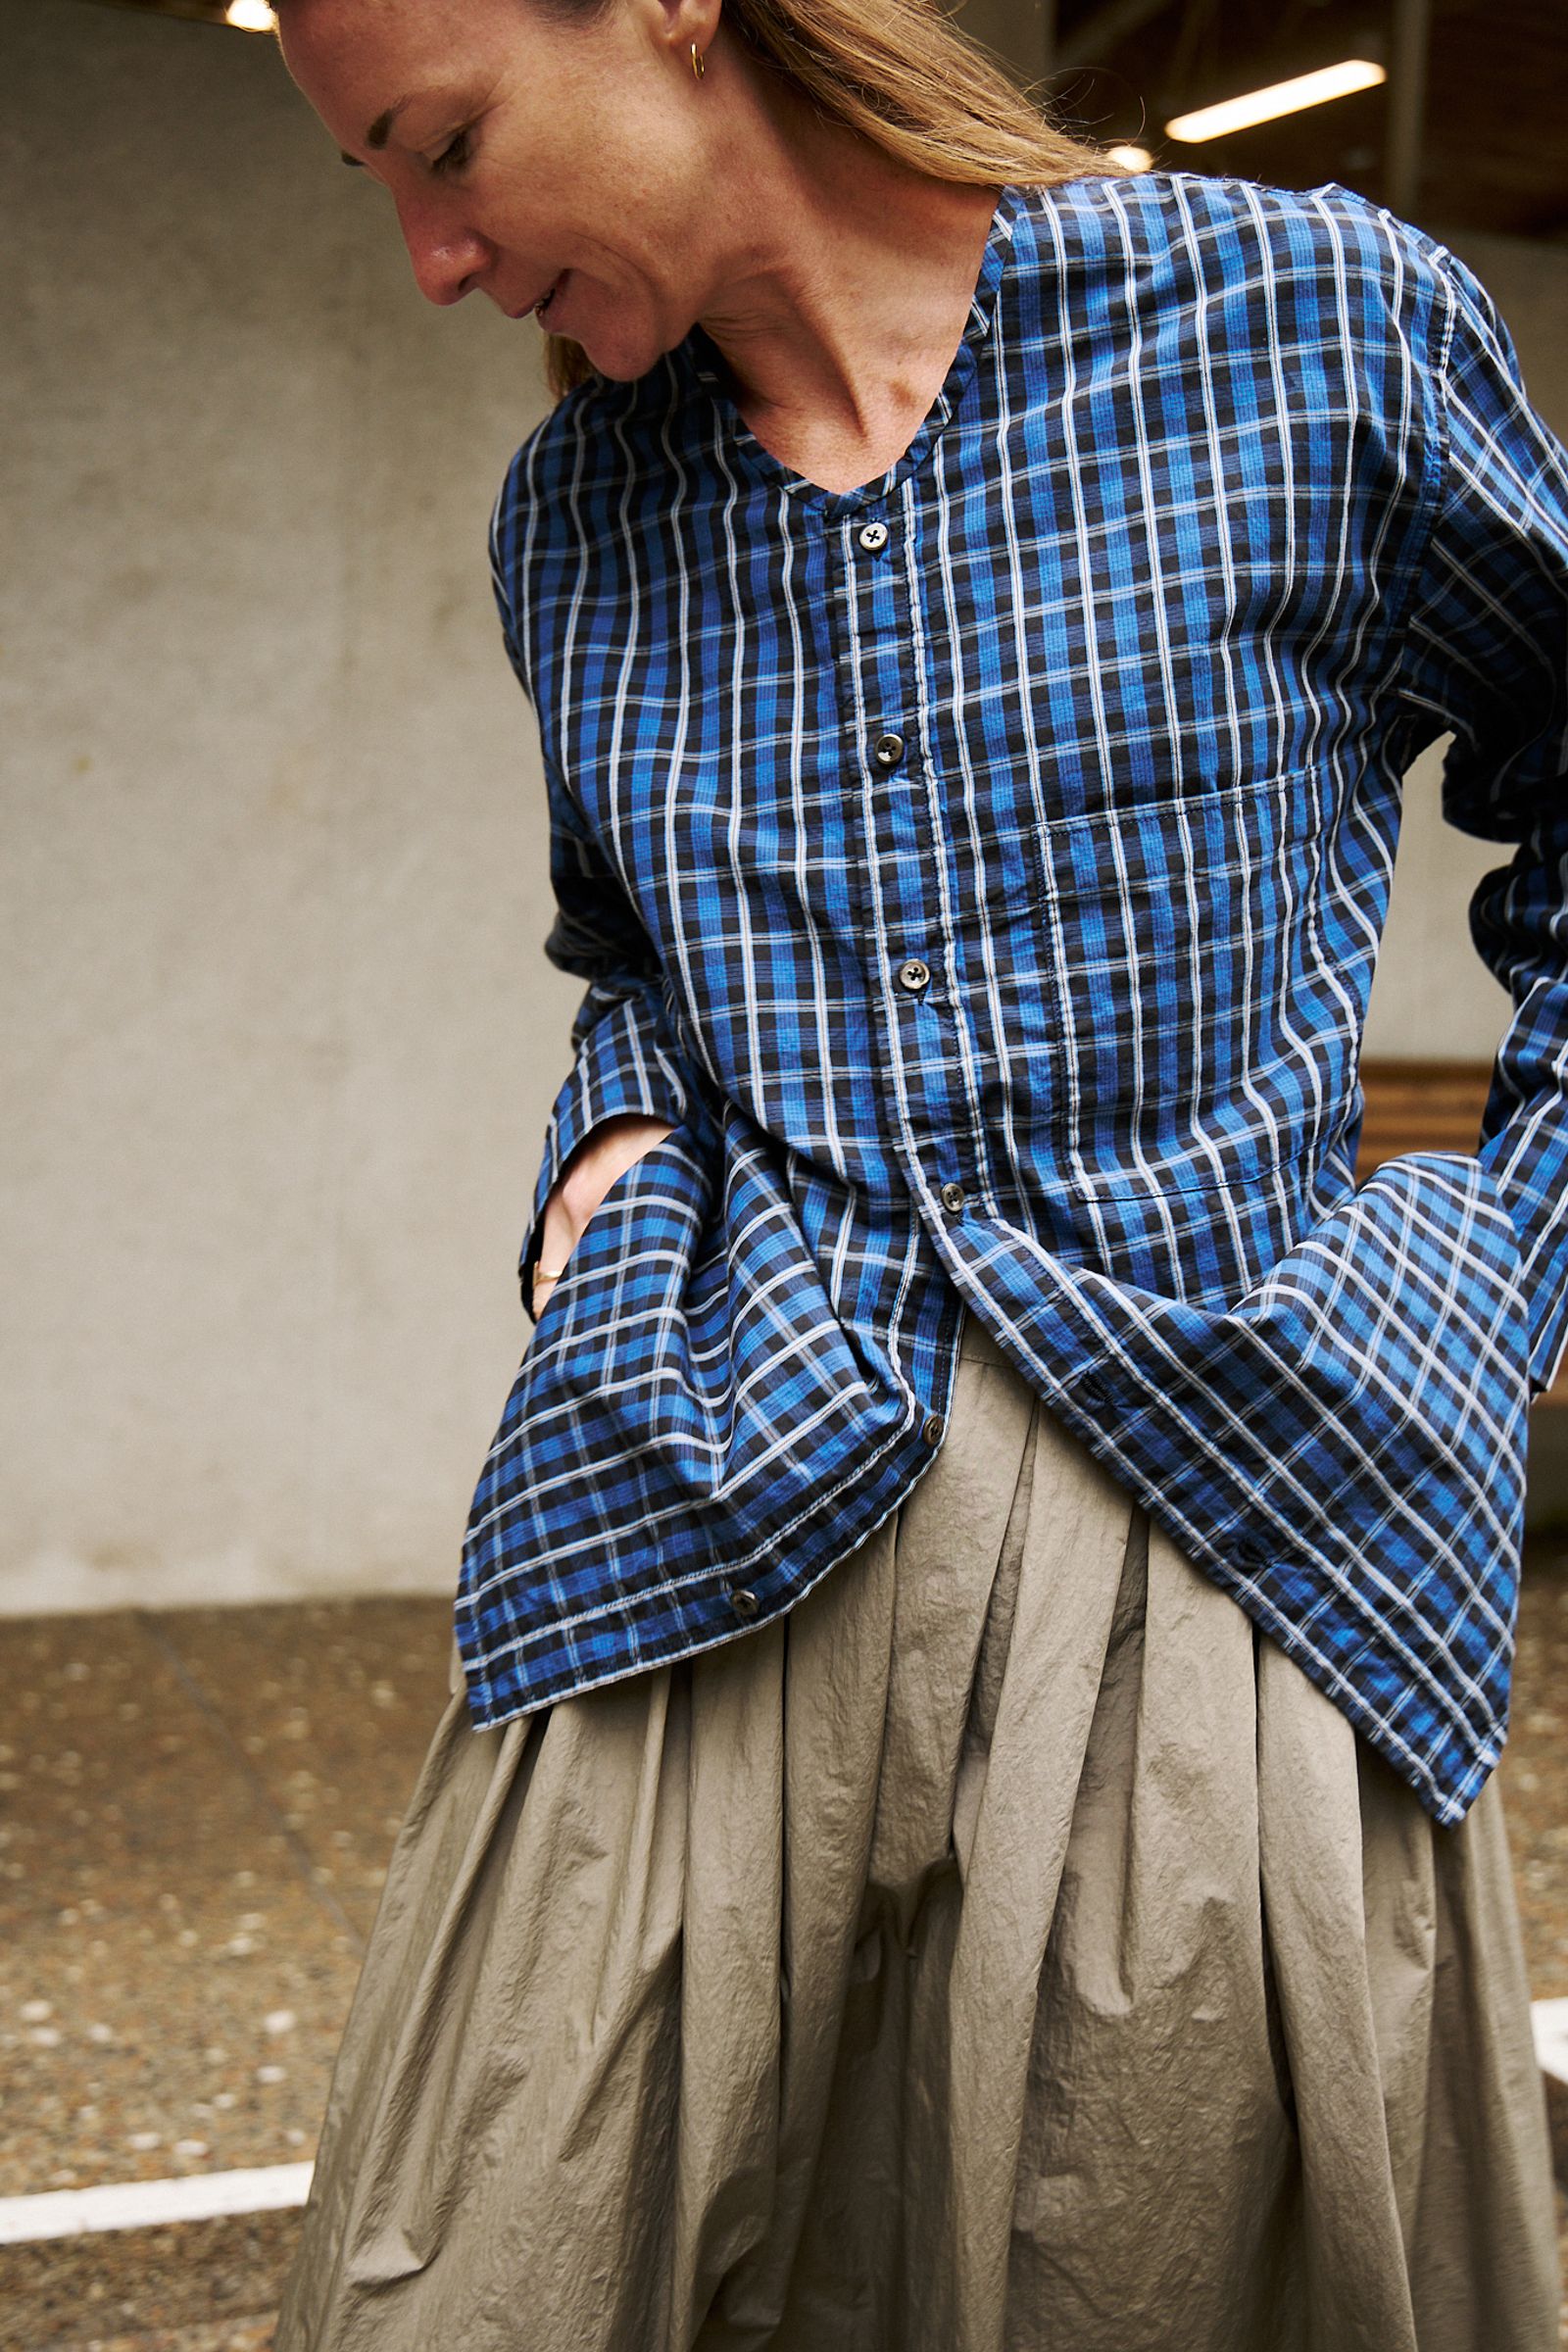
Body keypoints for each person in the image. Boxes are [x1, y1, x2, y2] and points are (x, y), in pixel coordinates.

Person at [269, 0, 1568, 2343]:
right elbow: (637, 965)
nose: (429, 256)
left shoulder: (1308, 327)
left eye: (441, 144)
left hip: (1237, 1514)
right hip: (706, 1508)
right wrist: (625, 1125)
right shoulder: (578, 518)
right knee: (478, 2272)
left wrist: (1486, 1253)